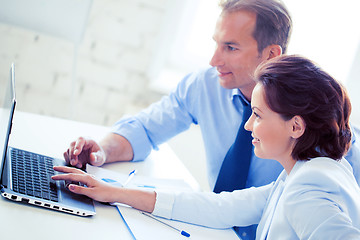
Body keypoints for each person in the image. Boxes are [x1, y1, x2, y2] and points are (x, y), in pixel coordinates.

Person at [53, 55, 360, 239]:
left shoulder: (308, 187)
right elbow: (222, 208)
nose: (248, 126)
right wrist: (115, 192)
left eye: (257, 115)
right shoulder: (304, 171)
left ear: (296, 126)